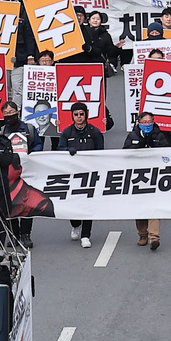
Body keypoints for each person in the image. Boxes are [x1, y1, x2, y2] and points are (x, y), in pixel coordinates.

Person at [124, 108, 171, 247]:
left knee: (153, 207)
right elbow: (124, 154)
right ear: (138, 122)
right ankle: (142, 235)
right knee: (139, 208)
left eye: (149, 122)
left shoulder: (160, 135)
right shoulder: (132, 136)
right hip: (138, 177)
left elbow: (167, 153)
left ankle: (154, 237)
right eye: (144, 122)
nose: (147, 124)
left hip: (155, 177)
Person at [59, 100, 105, 247]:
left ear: (86, 115)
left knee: (88, 205)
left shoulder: (94, 132)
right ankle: (75, 224)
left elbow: (101, 152)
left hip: (90, 174)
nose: (79, 117)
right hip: (72, 174)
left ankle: (86, 235)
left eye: (81, 114)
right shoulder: (66, 132)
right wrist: (67, 151)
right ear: (72, 116)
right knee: (73, 203)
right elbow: (59, 149)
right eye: (76, 114)